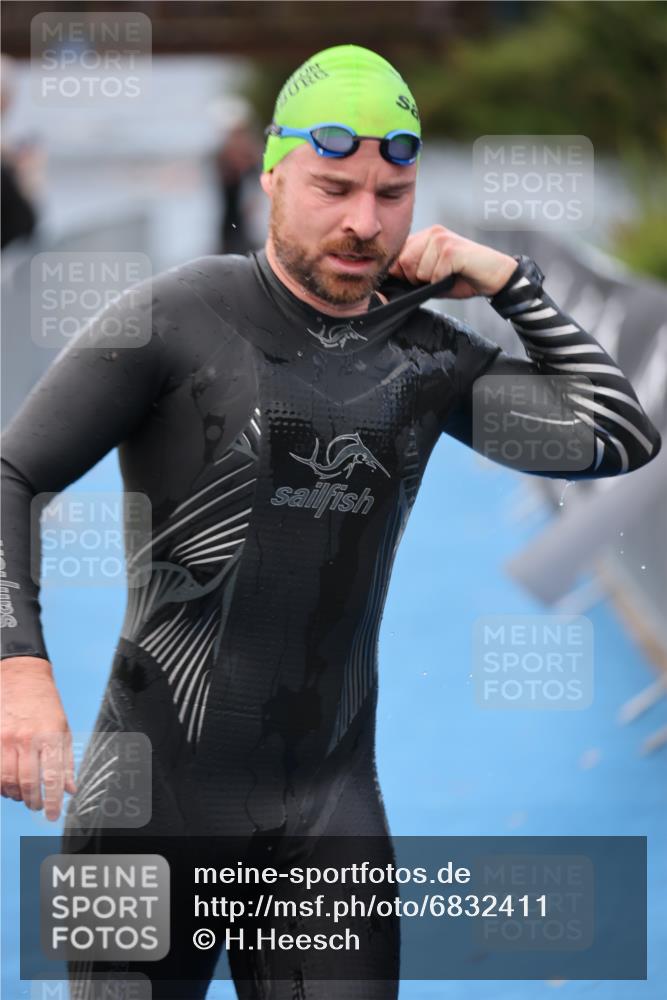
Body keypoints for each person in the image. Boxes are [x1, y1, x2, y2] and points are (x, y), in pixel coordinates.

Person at [0, 44, 661, 999]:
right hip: (147, 808)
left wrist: (512, 285)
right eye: (333, 187)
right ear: (272, 173)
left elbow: (616, 434)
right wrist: (18, 668)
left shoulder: (427, 358)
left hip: (327, 811)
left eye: (392, 194)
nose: (364, 221)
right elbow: (12, 472)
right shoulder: (178, 317)